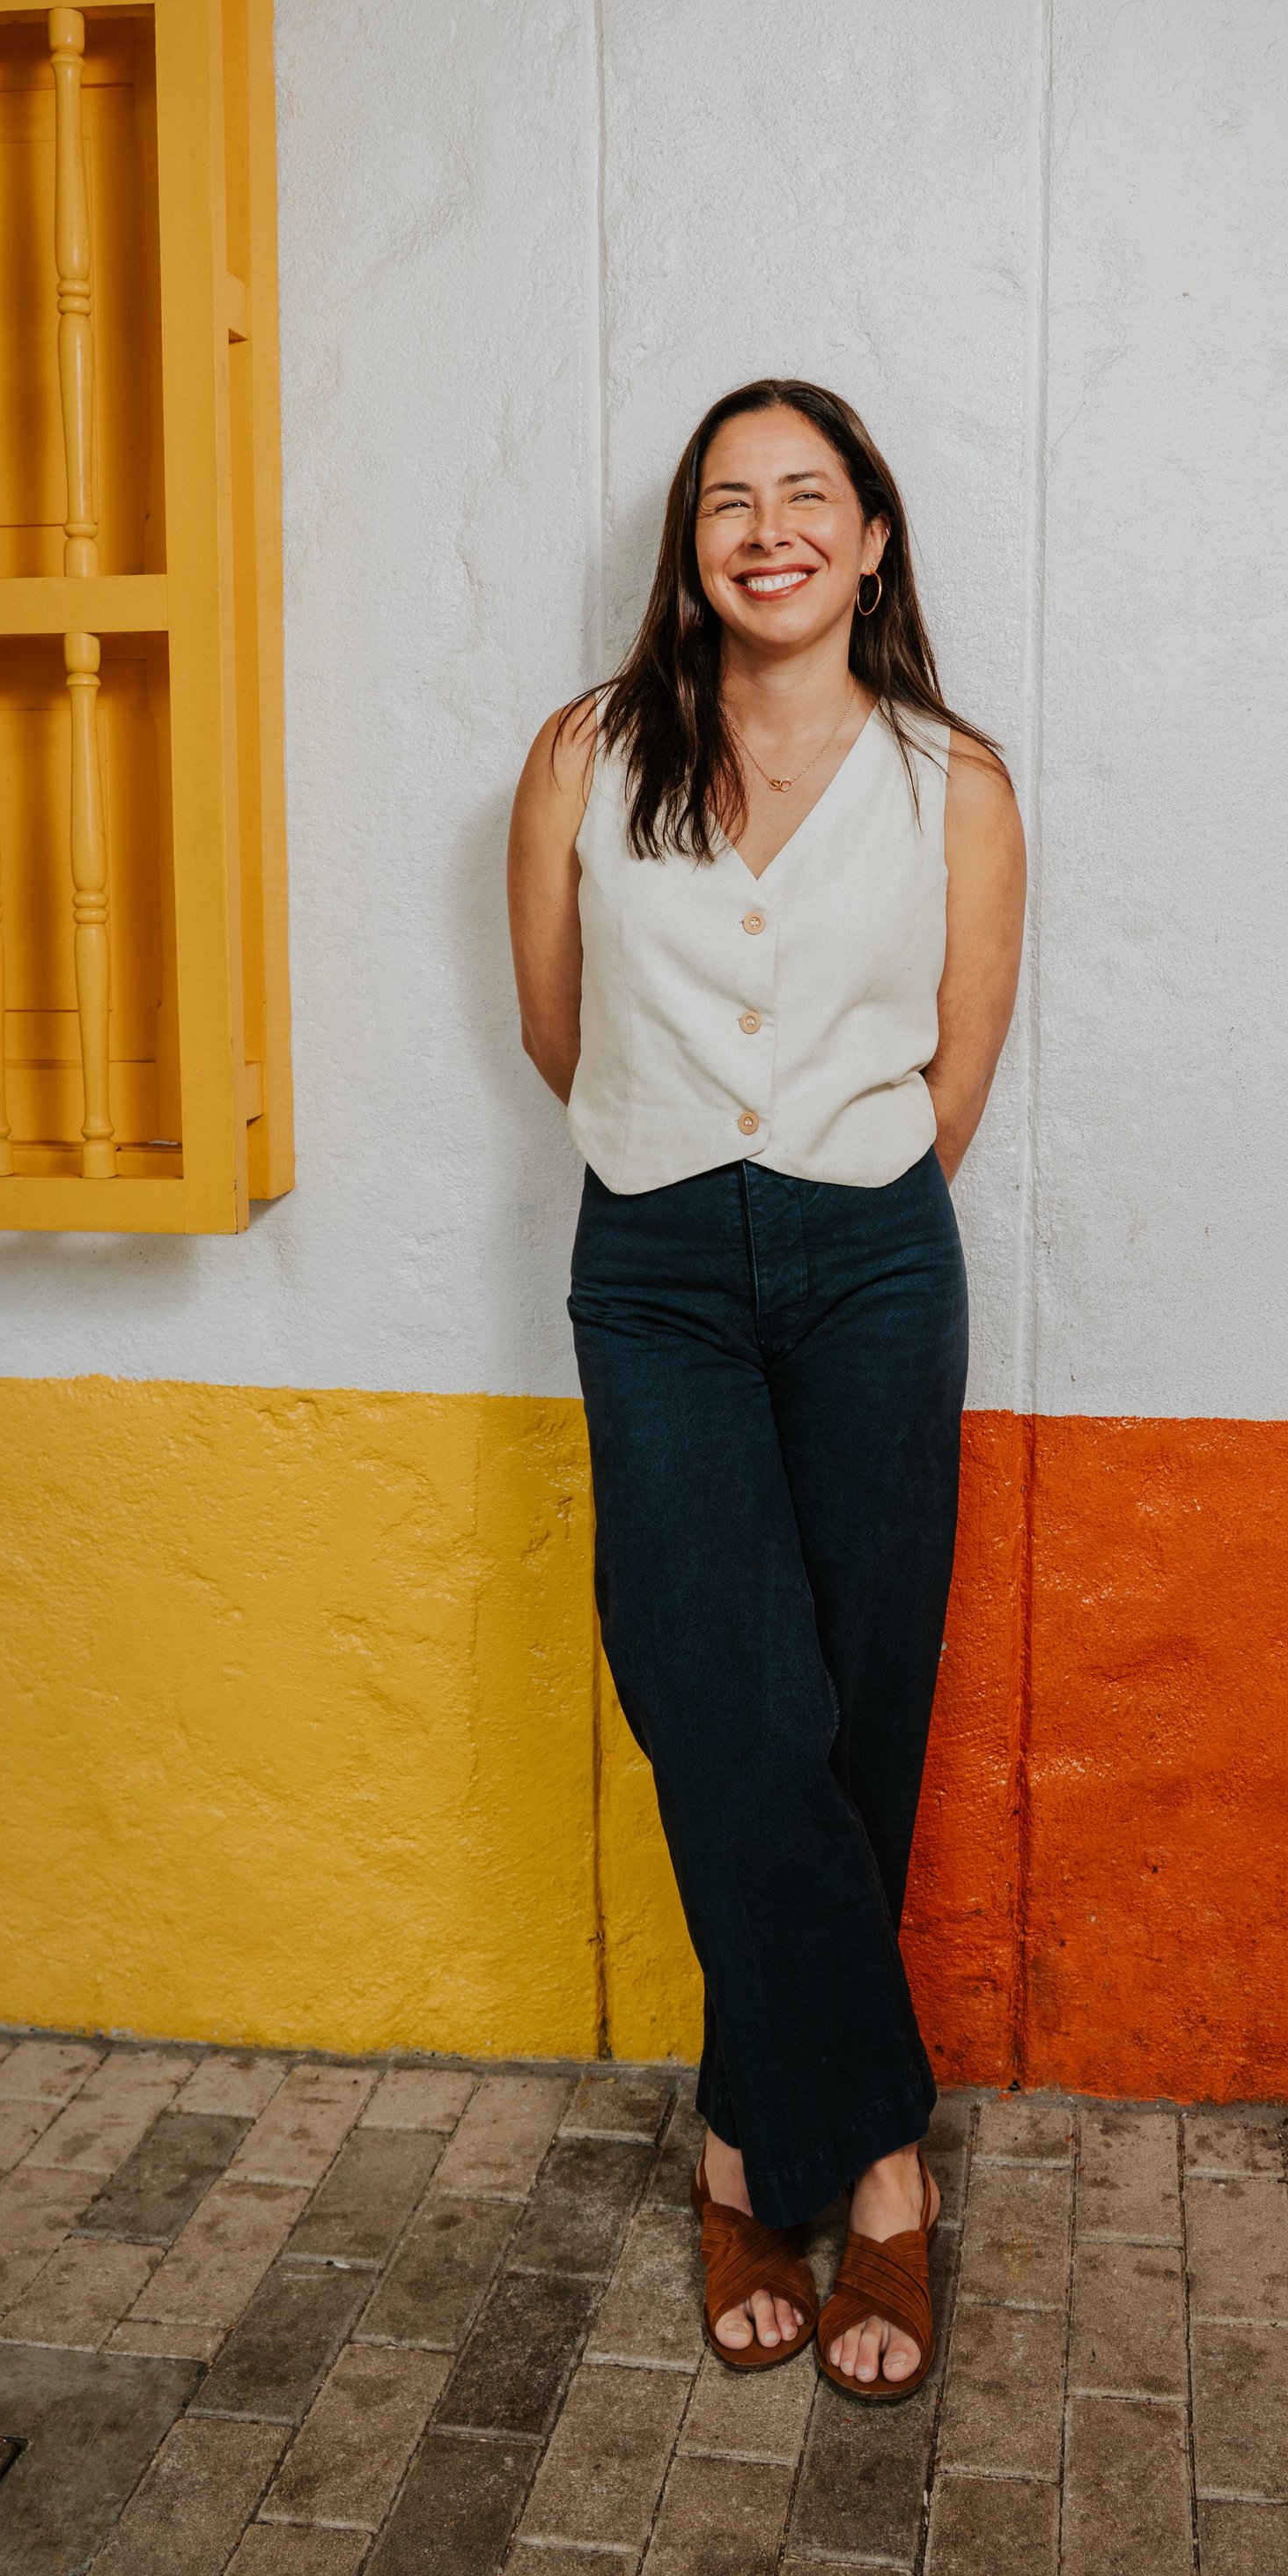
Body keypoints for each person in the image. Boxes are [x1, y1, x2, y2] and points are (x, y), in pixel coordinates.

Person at [507, 378, 1025, 2397]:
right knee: (722, 1697)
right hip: (648, 1265)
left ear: (871, 539)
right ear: (691, 548)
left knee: (854, 1706)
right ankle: (871, 2143)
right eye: (729, 497)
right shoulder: (585, 755)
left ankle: (769, 2153)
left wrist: (835, 1193)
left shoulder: (951, 780)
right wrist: (691, 1160)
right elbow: (557, 1032)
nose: (768, 524)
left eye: (808, 493)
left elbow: (955, 1059)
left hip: (874, 1256)